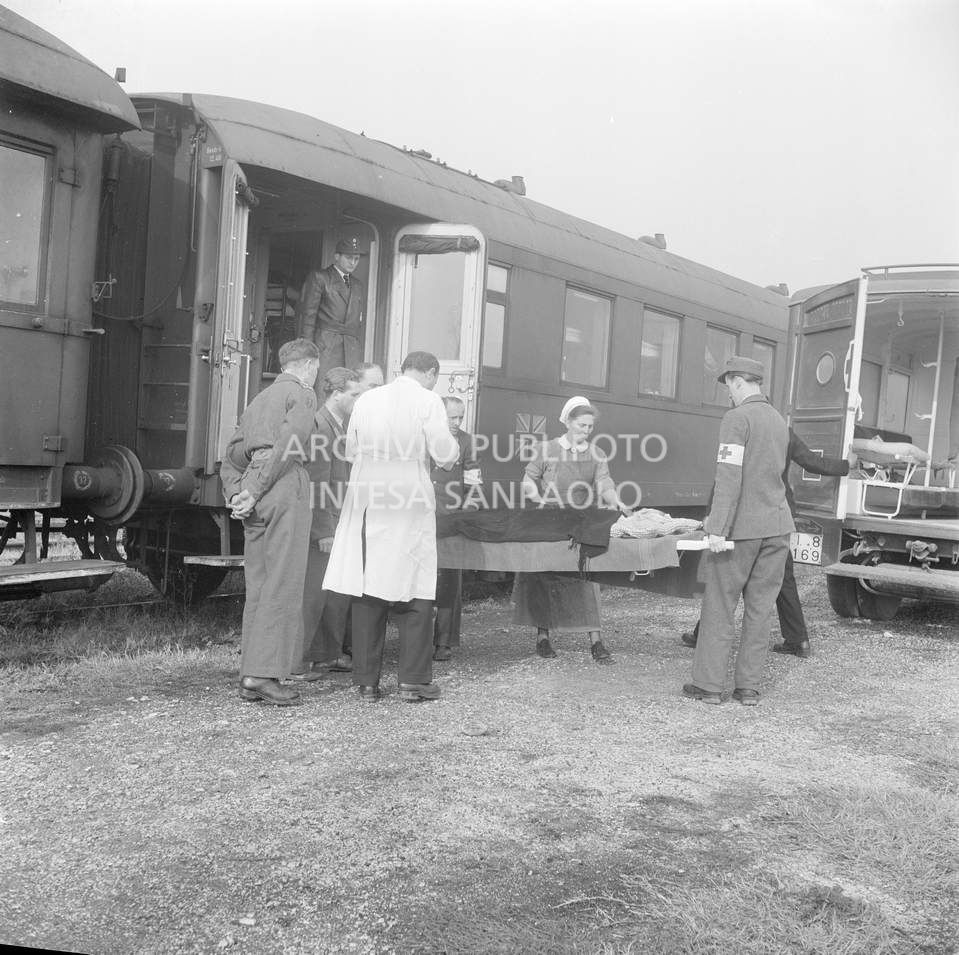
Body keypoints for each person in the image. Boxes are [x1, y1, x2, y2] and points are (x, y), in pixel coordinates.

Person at [322, 351, 459, 701]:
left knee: (368, 586)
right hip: (407, 496)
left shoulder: (368, 399)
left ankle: (366, 682)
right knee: (415, 585)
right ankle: (413, 680)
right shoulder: (428, 401)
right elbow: (445, 454)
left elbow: (350, 449)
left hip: (368, 495)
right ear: (431, 373)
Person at [680, 428, 855, 657]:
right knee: (784, 579)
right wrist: (846, 465)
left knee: (726, 577)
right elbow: (812, 462)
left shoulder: (743, 429)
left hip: (745, 515)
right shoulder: (783, 431)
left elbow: (725, 477)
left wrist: (711, 514)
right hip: (778, 515)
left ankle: (704, 634)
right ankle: (798, 640)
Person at [683, 356, 794, 706]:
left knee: (719, 604)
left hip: (741, 530)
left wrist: (716, 528)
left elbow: (728, 476)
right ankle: (748, 688)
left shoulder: (737, 418)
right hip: (777, 526)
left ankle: (708, 686)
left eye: (729, 386)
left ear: (737, 382)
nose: (728, 394)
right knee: (760, 609)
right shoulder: (779, 421)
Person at [220, 338, 319, 706]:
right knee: (284, 580)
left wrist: (238, 493)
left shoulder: (258, 399)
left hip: (254, 488)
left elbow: (231, 455)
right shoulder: (303, 394)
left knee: (259, 583)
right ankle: (263, 675)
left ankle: (251, 673)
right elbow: (289, 447)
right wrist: (257, 489)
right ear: (310, 365)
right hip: (283, 484)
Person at [513, 397, 631, 664]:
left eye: (590, 426)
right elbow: (528, 479)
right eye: (581, 425)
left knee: (587, 578)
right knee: (543, 577)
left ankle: (596, 641)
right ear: (568, 422)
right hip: (550, 520)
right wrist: (539, 499)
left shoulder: (596, 453)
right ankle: (543, 637)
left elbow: (604, 483)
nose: (586, 431)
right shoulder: (547, 449)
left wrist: (617, 501)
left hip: (581, 521)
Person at [293, 367, 364, 682]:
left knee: (323, 594)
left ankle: (320, 656)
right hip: (323, 527)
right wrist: (323, 531)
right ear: (336, 394)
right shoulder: (322, 428)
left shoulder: (335, 426)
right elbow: (318, 484)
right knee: (310, 598)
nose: (358, 400)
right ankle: (295, 664)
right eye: (354, 394)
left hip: (334, 522)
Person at [431, 396, 480, 662]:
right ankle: (417, 639)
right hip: (425, 515)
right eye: (452, 417)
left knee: (450, 580)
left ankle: (444, 641)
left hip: (452, 518)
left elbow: (474, 482)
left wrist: (467, 510)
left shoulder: (467, 442)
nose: (457, 422)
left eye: (460, 417)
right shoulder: (426, 435)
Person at [298, 237, 366, 382]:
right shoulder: (320, 278)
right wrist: (308, 351)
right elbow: (308, 317)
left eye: (356, 259)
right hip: (325, 346)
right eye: (348, 258)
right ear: (336, 256)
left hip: (350, 349)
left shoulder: (357, 285)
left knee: (348, 389)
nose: (353, 262)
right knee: (325, 387)